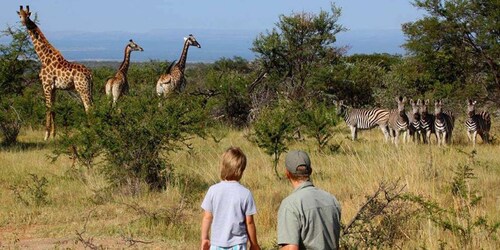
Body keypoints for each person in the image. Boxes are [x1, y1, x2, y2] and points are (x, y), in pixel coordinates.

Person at [277, 150, 342, 250]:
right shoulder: (332, 200)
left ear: (287, 174)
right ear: (310, 171)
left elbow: (290, 248)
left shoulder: (290, 205)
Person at [200, 147, 261, 250]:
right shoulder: (245, 193)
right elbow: (249, 222)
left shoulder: (213, 190)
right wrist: (254, 244)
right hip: (238, 244)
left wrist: (204, 238)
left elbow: (207, 217)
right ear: (241, 170)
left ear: (223, 166)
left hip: (216, 244)